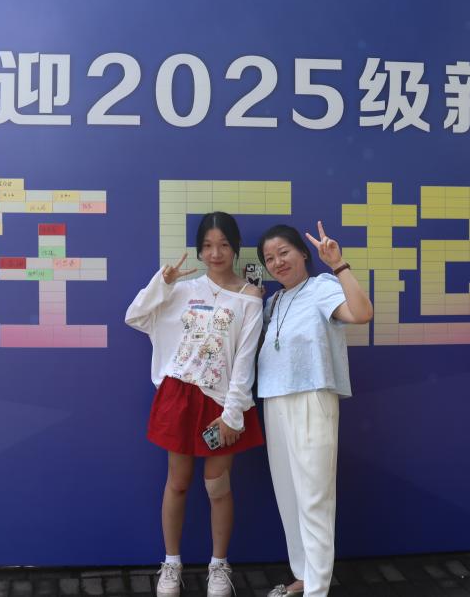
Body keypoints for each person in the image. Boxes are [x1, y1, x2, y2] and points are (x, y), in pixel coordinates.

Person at [126, 212, 265, 597]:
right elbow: (135, 316)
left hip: (222, 404)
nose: (215, 253)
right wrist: (163, 282)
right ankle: (171, 563)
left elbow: (245, 360)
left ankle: (219, 565)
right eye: (207, 246)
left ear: (236, 248)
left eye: (223, 245)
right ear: (199, 250)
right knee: (178, 484)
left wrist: (233, 414)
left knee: (218, 487)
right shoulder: (183, 290)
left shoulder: (250, 298)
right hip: (180, 397)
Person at [255, 222, 374, 597]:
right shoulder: (273, 302)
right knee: (289, 497)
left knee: (314, 497)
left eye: (284, 253)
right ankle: (304, 576)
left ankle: (317, 590)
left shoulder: (322, 287)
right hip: (274, 400)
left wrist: (338, 264)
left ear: (303, 253)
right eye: (270, 258)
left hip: (312, 397)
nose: (277, 262)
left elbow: (362, 313)